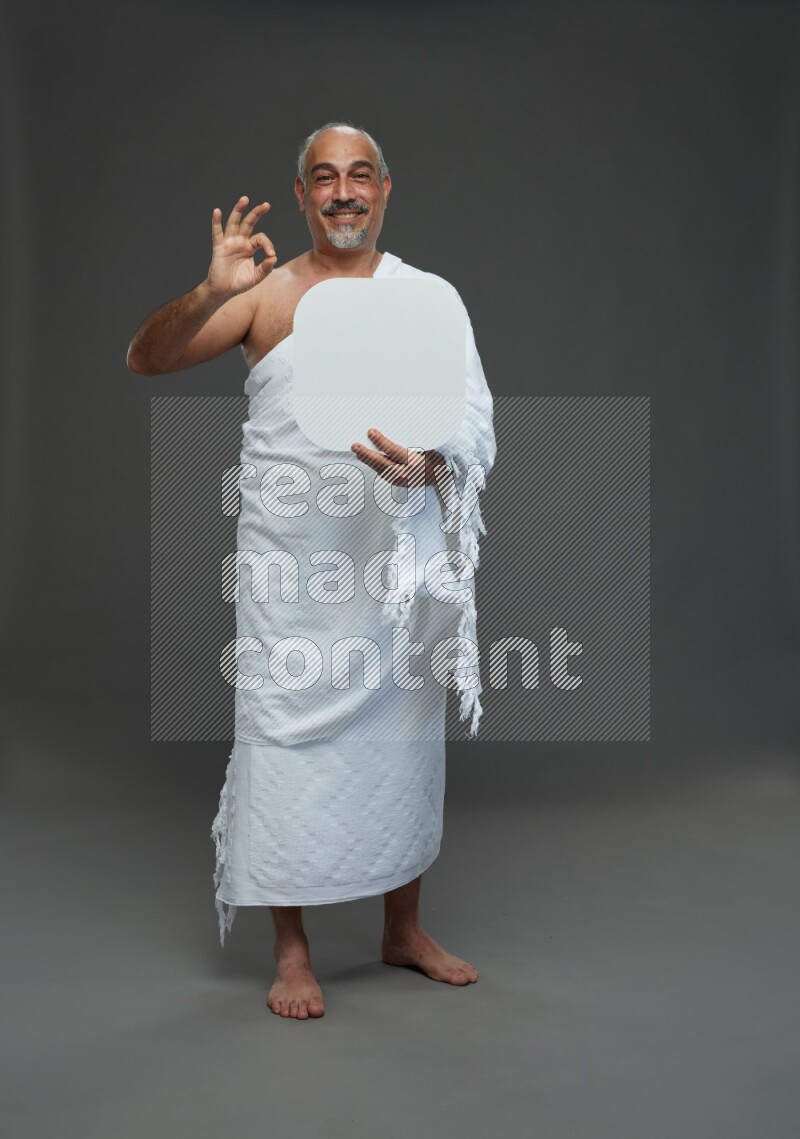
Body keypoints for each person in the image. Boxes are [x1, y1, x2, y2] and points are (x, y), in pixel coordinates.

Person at [127, 122, 496, 1020]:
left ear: (384, 190)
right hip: (293, 569)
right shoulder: (265, 295)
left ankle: (401, 928)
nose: (342, 193)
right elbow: (149, 356)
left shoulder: (427, 298)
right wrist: (209, 290)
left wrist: (431, 467)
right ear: (300, 196)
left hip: (391, 566)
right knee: (281, 737)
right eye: (323, 178)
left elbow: (474, 423)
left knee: (404, 743)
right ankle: (291, 950)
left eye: (359, 176)